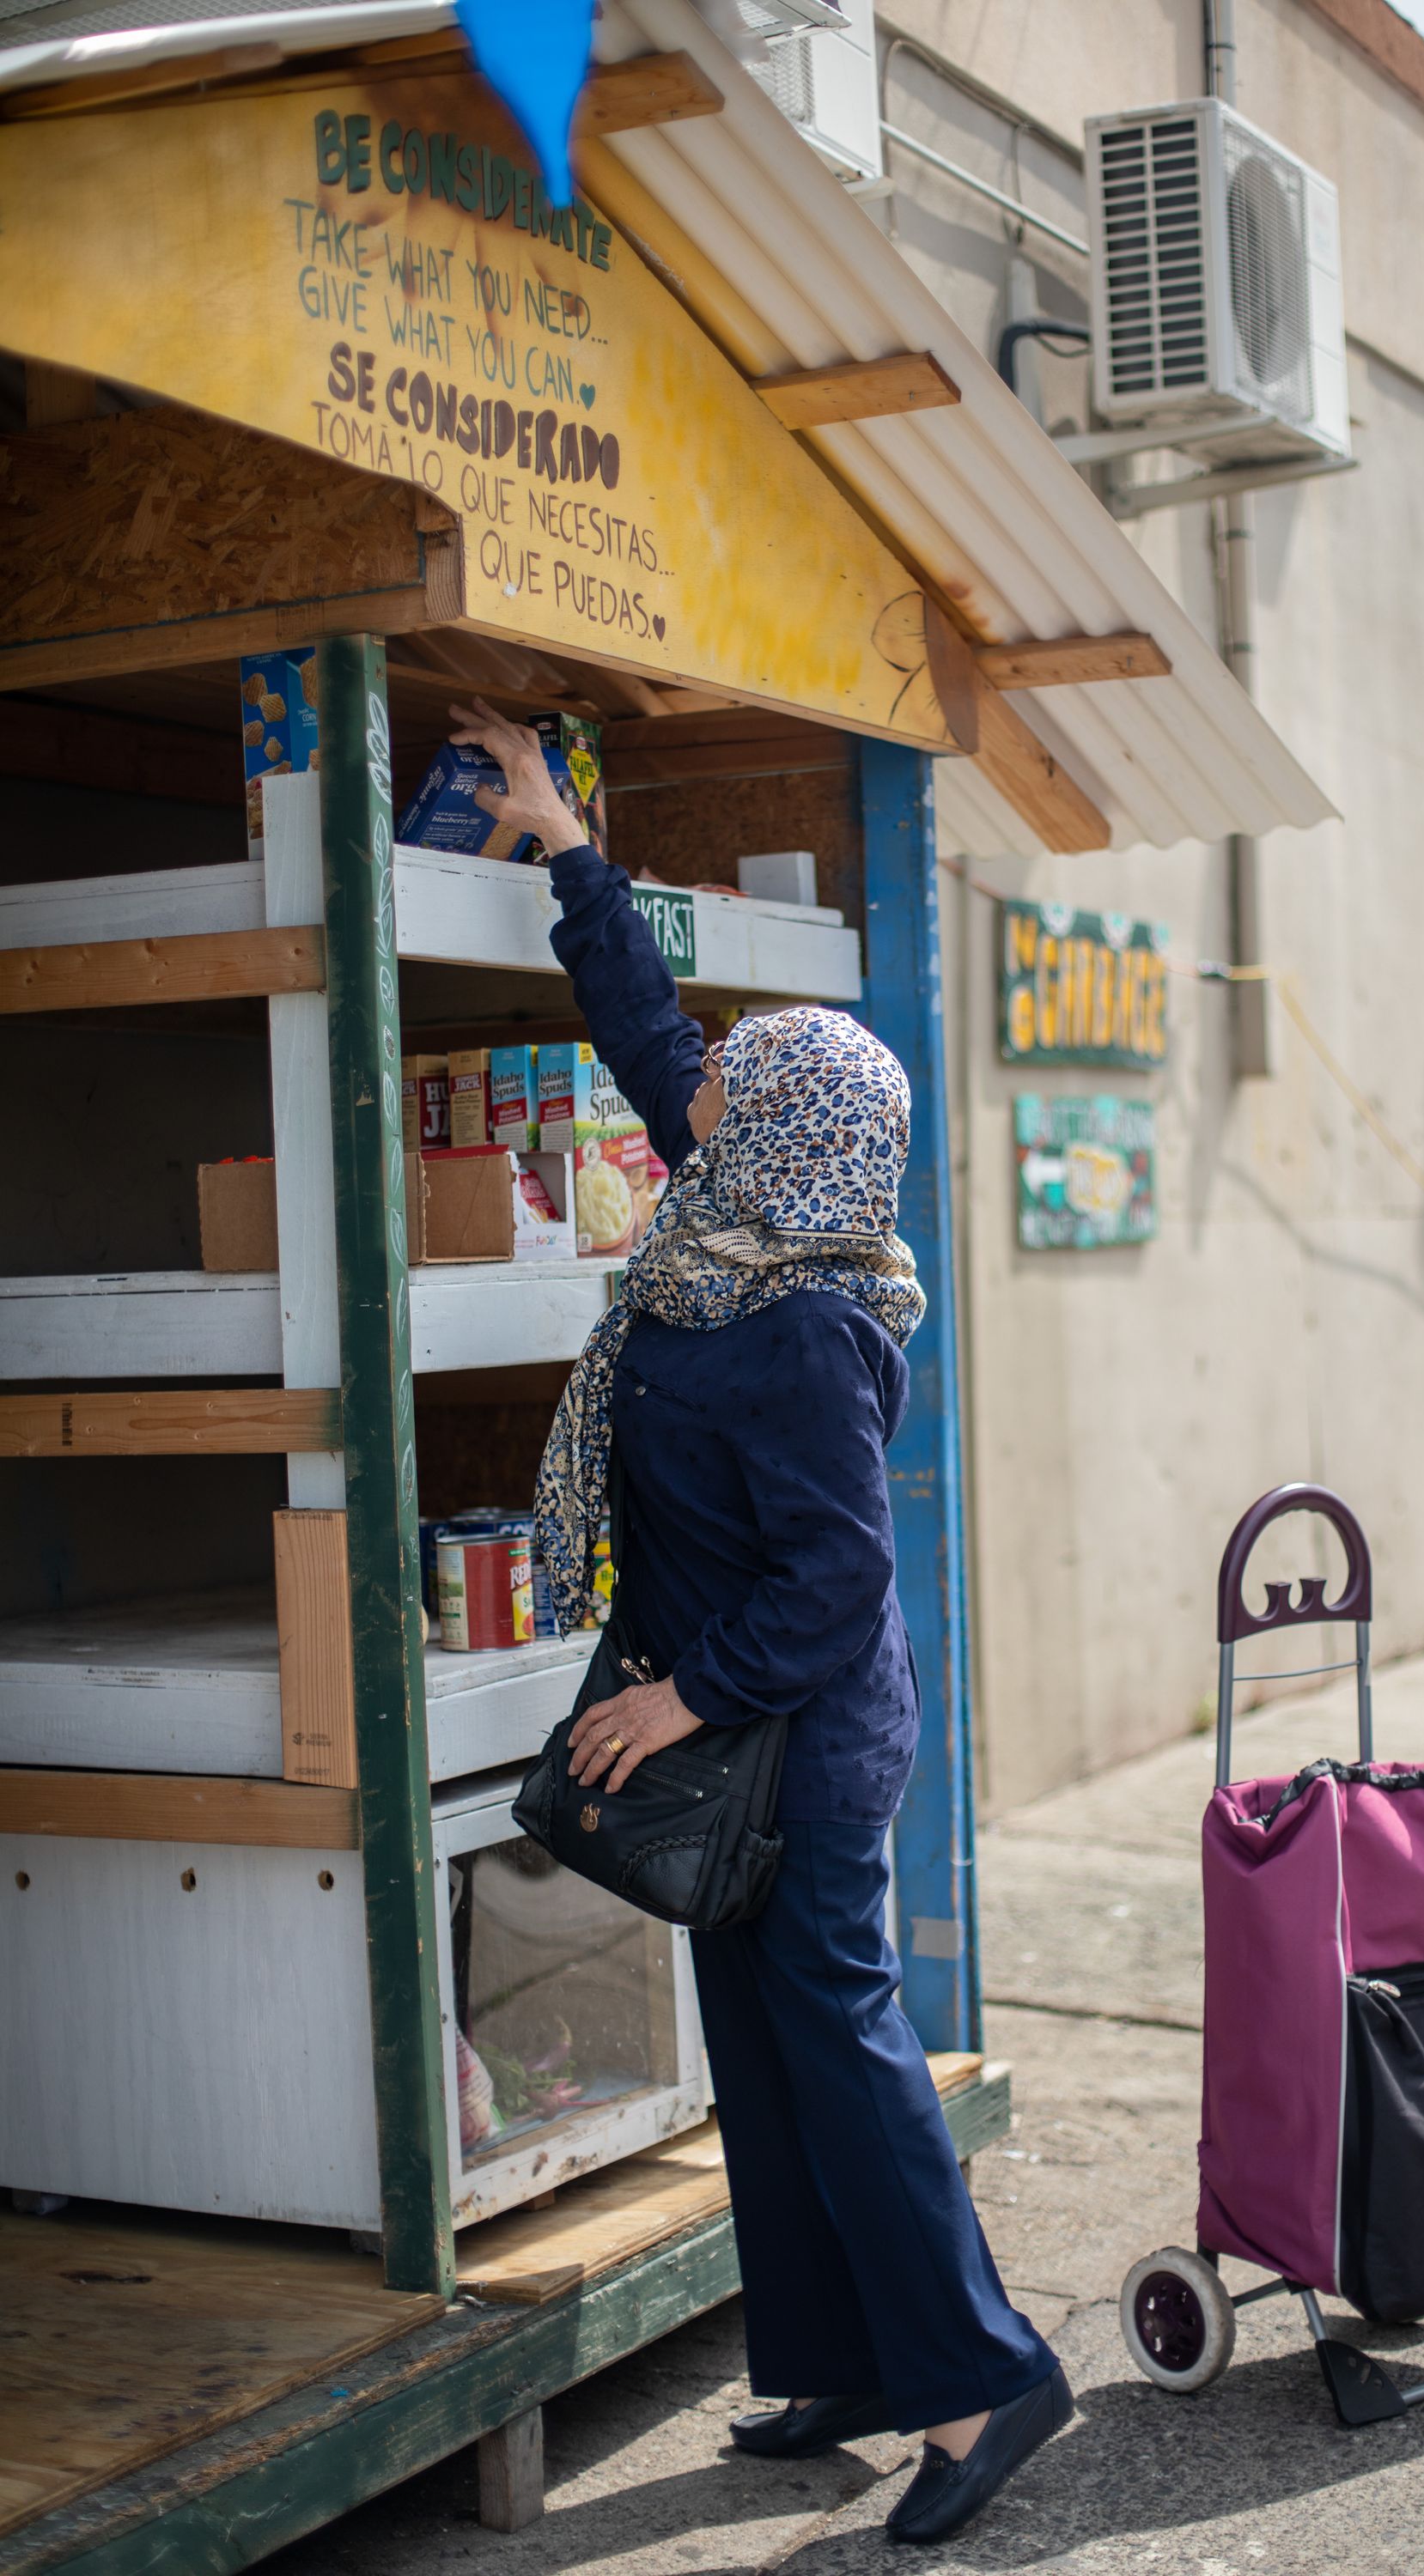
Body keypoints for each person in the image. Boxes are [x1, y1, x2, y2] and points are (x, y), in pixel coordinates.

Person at [447, 701, 1071, 2546]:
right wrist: (562, 834)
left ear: (784, 1131)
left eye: (739, 1074)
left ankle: (982, 2382)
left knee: (846, 2039)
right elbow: (640, 1023)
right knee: (768, 2041)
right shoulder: (727, 1220)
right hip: (726, 1718)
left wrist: (676, 1701)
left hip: (793, 1732)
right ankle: (849, 2359)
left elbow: (837, 1584)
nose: (696, 1084)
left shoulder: (801, 1322)